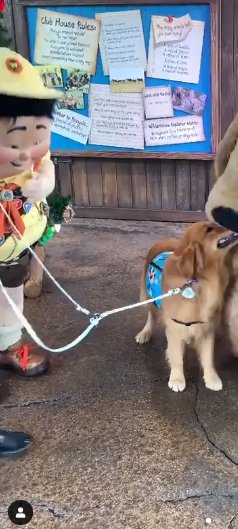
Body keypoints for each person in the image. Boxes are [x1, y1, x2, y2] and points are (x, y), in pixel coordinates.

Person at [0, 47, 60, 457]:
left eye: (38, 134)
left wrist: (42, 183)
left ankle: (7, 346)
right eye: (14, 137)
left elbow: (47, 167)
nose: (29, 151)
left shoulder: (36, 160)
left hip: (11, 251)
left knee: (11, 297)